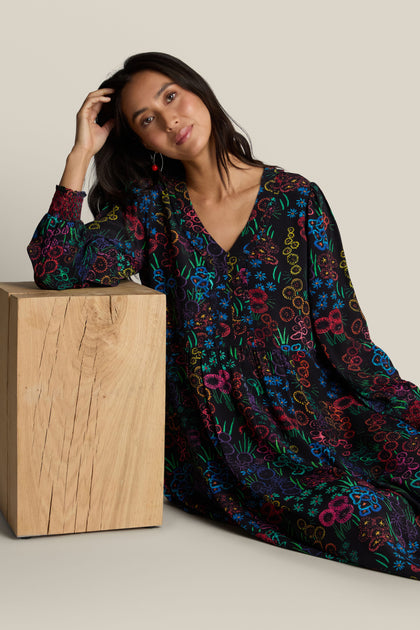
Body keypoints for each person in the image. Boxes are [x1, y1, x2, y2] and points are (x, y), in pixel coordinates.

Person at [28, 52, 420, 579]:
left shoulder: (297, 198)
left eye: (171, 96)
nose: (169, 120)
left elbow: (341, 327)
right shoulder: (151, 209)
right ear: (141, 140)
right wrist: (80, 153)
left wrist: (393, 403)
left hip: (320, 406)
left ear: (198, 91)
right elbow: (55, 268)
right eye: (146, 119)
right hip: (227, 432)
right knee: (368, 522)